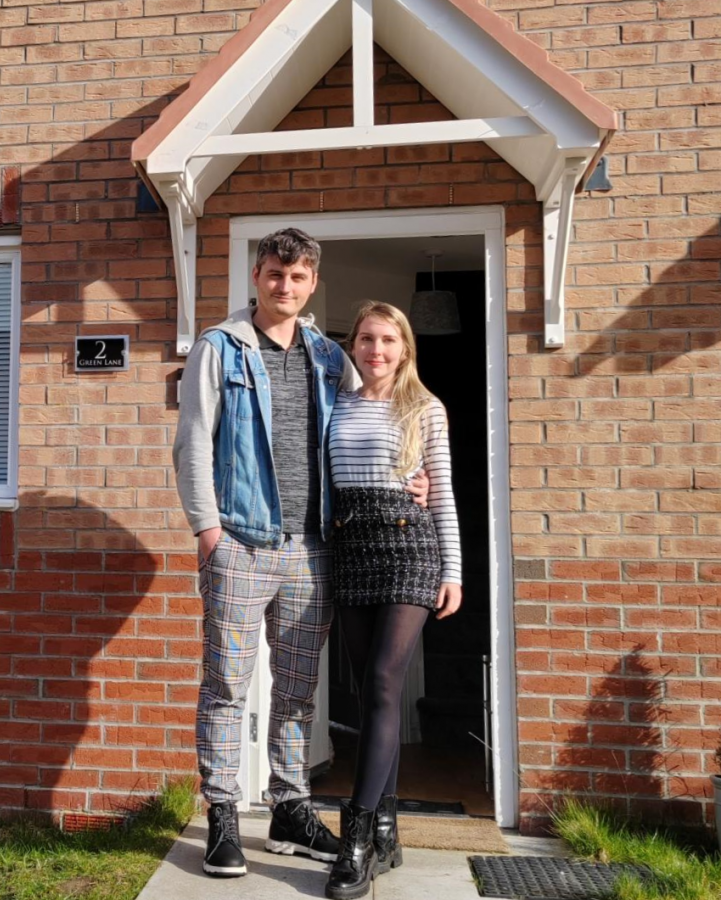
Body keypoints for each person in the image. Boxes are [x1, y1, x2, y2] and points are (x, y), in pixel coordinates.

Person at [173, 230, 429, 879]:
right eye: (274, 274)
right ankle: (224, 814)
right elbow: (193, 444)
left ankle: (289, 807)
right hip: (240, 543)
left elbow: (374, 416)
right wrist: (209, 532)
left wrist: (412, 475)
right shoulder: (219, 348)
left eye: (297, 277)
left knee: (295, 692)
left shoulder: (326, 355)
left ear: (312, 283)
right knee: (228, 686)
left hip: (313, 548)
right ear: (256, 276)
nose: (284, 286)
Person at [324, 302, 462, 900]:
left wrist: (453, 569)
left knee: (383, 681)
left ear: (404, 348)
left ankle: (354, 840)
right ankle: (387, 827)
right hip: (351, 547)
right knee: (365, 689)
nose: (375, 350)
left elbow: (444, 492)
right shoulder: (335, 403)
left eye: (388, 340)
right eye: (366, 339)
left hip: (409, 544)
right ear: (351, 346)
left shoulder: (425, 408)